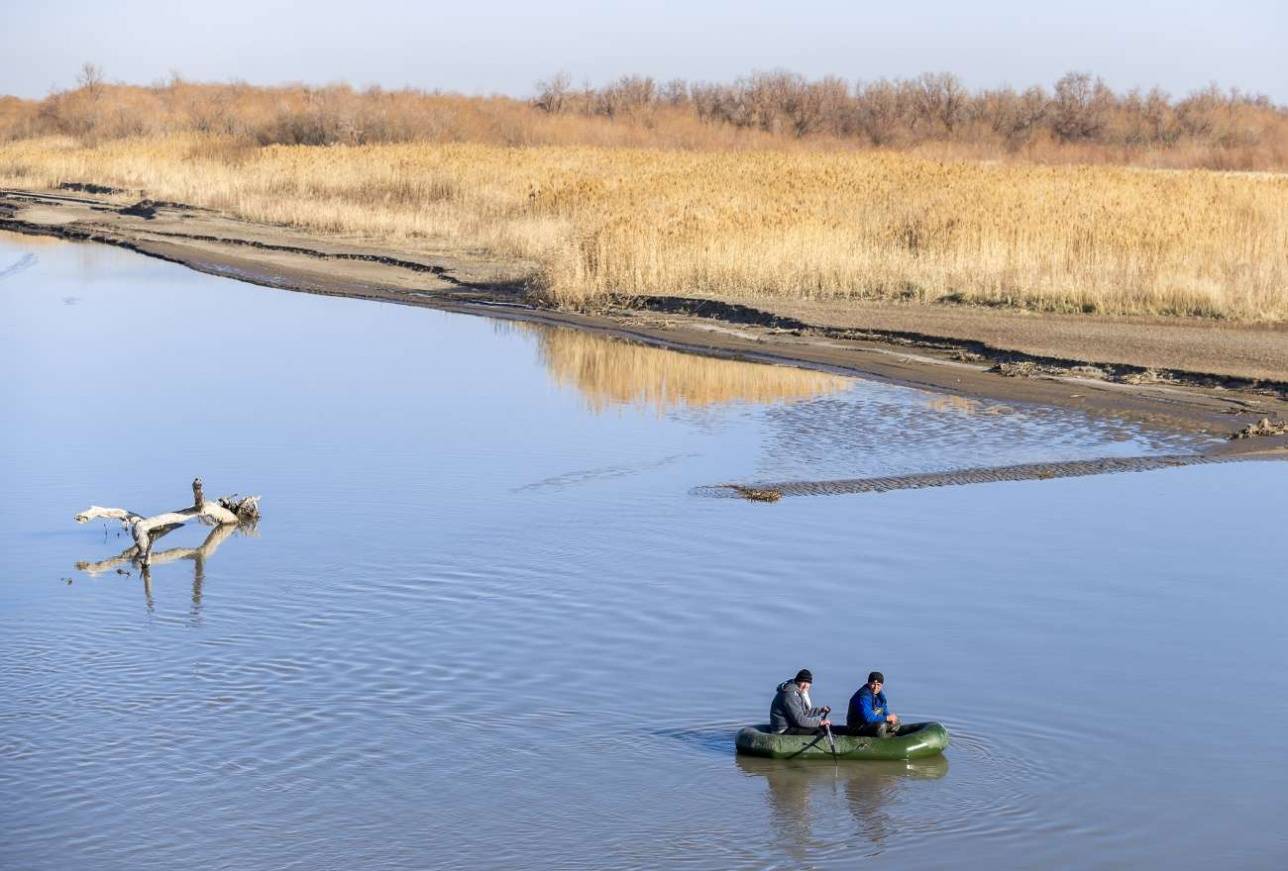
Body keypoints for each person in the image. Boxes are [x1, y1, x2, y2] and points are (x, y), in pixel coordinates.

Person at [769, 669, 833, 734]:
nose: (805, 685)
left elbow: (803, 713)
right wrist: (820, 722)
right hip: (783, 730)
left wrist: (820, 710)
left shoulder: (797, 691)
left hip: (792, 726)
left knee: (822, 728)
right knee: (819, 732)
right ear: (797, 681)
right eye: (803, 682)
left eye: (808, 683)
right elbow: (800, 720)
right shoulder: (790, 694)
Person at [847, 671, 900, 737]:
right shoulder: (863, 696)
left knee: (896, 721)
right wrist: (887, 718)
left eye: (878, 685)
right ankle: (884, 742)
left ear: (881, 685)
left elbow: (883, 711)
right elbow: (868, 718)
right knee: (881, 726)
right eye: (873, 684)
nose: (875, 687)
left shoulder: (880, 696)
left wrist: (890, 718)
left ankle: (891, 737)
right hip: (857, 727)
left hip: (870, 723)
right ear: (869, 683)